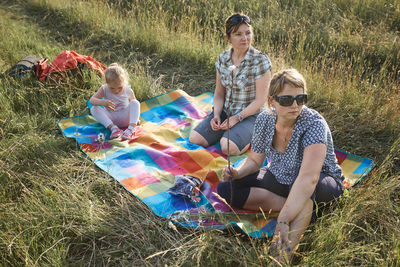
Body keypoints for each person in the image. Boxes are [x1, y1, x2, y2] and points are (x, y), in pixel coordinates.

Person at [217, 69, 345, 261]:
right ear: (272, 101)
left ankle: (282, 257)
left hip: (319, 182)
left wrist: (283, 220)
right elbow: (254, 161)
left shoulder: (314, 124)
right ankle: (298, 209)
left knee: (304, 191)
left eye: (301, 98)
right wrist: (237, 173)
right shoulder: (264, 120)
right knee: (226, 187)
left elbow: (309, 178)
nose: (295, 105)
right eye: (287, 100)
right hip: (280, 176)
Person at [189, 13, 272, 156]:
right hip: (226, 111)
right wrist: (216, 115)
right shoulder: (223, 59)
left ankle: (251, 135)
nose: (245, 38)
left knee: (228, 148)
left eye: (248, 33)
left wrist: (237, 118)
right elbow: (219, 93)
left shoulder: (260, 60)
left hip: (252, 115)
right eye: (238, 34)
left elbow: (261, 100)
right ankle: (229, 133)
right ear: (228, 38)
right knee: (195, 139)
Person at [89, 63, 140, 140]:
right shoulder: (104, 89)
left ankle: (130, 129)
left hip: (126, 118)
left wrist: (135, 119)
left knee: (135, 102)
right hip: (111, 119)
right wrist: (103, 102)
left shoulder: (128, 90)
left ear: (124, 82)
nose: (116, 91)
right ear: (107, 83)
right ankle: (114, 129)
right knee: (94, 109)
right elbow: (92, 100)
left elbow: (134, 106)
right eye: (112, 88)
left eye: (120, 87)